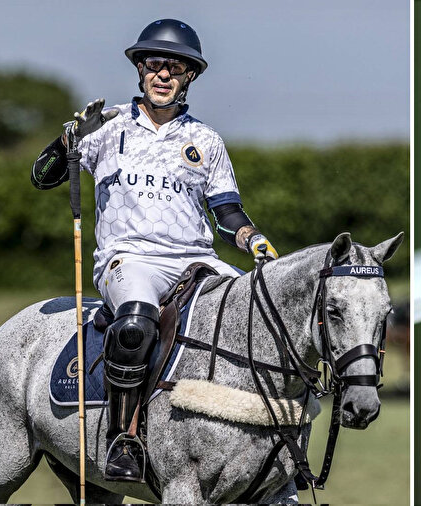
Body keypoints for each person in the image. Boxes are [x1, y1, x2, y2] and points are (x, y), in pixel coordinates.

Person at [30, 19, 277, 482]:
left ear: (190, 77)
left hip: (195, 259)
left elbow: (226, 213)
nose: (163, 74)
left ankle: (272, 447)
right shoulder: (105, 127)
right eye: (154, 65)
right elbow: (42, 177)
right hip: (130, 258)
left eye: (175, 67)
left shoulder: (205, 140)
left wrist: (254, 241)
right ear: (141, 70)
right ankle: (125, 438)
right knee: (137, 320)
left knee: (252, 316)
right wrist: (68, 141)